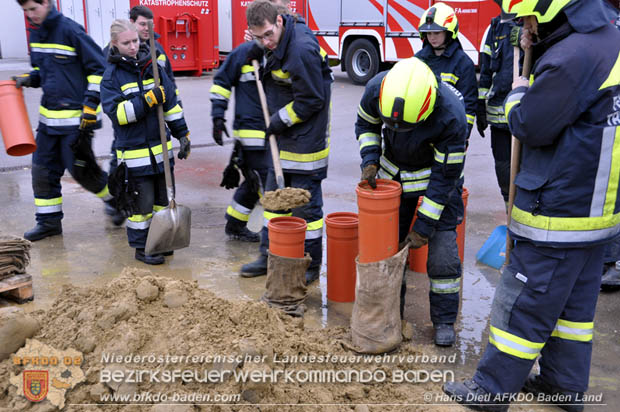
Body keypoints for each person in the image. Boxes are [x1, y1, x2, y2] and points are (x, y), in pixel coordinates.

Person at [443, 0, 620, 410]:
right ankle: (563, 385)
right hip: (597, 211)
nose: (523, 26)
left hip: (558, 211)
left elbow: (528, 125)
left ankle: (491, 389)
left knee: (522, 304)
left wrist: (518, 93)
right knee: (573, 310)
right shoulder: (608, 37)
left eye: (527, 18)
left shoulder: (572, 57)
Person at [357, 57, 467, 346]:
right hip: (395, 180)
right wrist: (370, 160)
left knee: (443, 258)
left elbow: (444, 178)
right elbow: (366, 126)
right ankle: (392, 316)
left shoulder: (452, 116)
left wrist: (425, 226)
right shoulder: (377, 89)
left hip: (439, 183)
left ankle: (444, 321)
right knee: (391, 253)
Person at [239, 0, 332, 285]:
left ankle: (310, 263)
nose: (265, 42)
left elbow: (311, 100)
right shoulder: (274, 42)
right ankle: (269, 255)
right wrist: (256, 47)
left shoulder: (301, 49)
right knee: (272, 200)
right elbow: (272, 69)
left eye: (268, 34)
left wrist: (278, 121)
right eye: (258, 37)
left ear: (280, 21)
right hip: (283, 133)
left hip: (305, 138)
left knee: (306, 208)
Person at [13, 0, 115, 241]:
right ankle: (48, 223)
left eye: (33, 9)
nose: (30, 15)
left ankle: (117, 201)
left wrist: (91, 105)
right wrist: (30, 78)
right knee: (42, 171)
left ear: (46, 3)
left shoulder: (70, 30)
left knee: (81, 171)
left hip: (78, 120)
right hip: (49, 121)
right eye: (25, 11)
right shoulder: (37, 34)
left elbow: (100, 70)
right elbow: (45, 71)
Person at [100, 19, 191, 265]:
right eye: (126, 42)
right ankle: (143, 248)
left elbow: (170, 104)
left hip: (161, 152)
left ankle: (161, 240)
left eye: (136, 41)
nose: (132, 46)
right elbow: (118, 115)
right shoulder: (111, 77)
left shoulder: (154, 67)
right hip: (134, 154)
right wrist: (147, 100)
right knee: (142, 205)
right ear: (114, 44)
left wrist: (182, 133)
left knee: (163, 200)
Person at [210, 40, 271, 242]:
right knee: (266, 182)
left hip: (277, 128)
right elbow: (221, 83)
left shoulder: (284, 51)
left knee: (255, 181)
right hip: (250, 130)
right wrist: (218, 117)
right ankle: (275, 234)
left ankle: (235, 223)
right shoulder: (243, 53)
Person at [477, 12, 521, 208]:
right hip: (498, 119)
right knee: (503, 171)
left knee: (526, 170)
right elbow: (486, 69)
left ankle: (523, 218)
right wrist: (480, 105)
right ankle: (509, 214)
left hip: (524, 117)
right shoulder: (494, 28)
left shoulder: (532, 23)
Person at [415, 2, 477, 138]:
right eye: (428, 33)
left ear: (449, 32)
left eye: (437, 32)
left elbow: (468, 105)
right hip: (421, 129)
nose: (432, 37)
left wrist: (463, 135)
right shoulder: (418, 59)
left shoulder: (463, 63)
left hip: (449, 131)